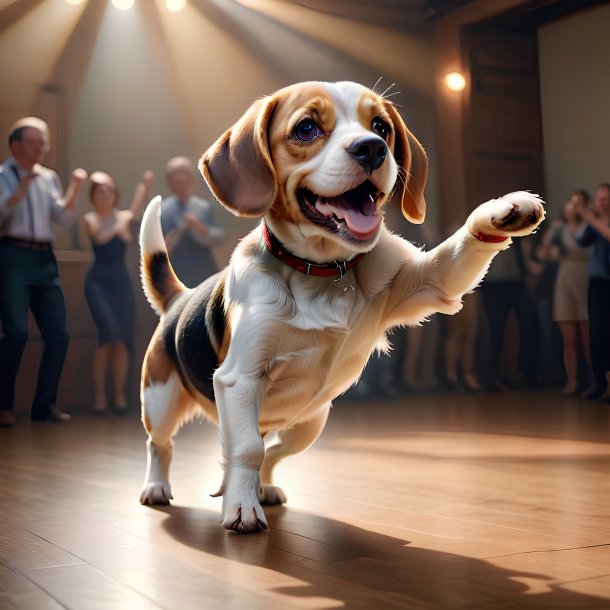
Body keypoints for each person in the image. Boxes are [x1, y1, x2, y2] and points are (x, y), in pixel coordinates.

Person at [0, 117, 87, 427]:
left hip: (45, 259)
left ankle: (44, 405)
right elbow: (2, 215)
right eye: (34, 142)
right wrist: (20, 189)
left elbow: (62, 218)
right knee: (16, 333)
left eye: (44, 142)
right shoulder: (4, 175)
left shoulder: (48, 177)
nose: (41, 148)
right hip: (12, 255)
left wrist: (75, 187)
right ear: (16, 145)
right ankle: (4, 405)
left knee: (59, 335)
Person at [81, 170, 154, 414]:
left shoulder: (123, 217)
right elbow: (101, 238)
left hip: (120, 282)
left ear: (115, 194)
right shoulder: (90, 218)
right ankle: (100, 397)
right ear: (92, 196)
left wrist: (143, 186)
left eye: (109, 189)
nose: (104, 192)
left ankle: (120, 396)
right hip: (97, 282)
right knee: (107, 337)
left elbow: (136, 205)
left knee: (121, 342)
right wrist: (123, 223)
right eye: (99, 189)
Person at [539, 191, 592, 394]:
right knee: (569, 336)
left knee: (588, 334)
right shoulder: (558, 229)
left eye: (579, 203)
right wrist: (550, 252)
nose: (574, 207)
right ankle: (572, 380)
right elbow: (543, 253)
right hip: (565, 278)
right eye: (571, 202)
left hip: (585, 277)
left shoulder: (590, 226)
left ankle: (595, 381)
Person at [160, 156, 225, 288]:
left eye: (184, 179)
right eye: (176, 180)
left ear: (191, 179)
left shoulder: (203, 207)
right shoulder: (163, 211)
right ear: (169, 182)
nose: (180, 183)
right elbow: (159, 249)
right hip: (179, 276)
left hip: (206, 271)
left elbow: (220, 236)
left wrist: (202, 229)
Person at [573, 183, 610, 401]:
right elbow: (579, 240)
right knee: (597, 334)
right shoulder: (593, 223)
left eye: (605, 199)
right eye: (599, 199)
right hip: (597, 284)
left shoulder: (597, 222)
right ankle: (599, 383)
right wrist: (584, 217)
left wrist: (590, 218)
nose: (602, 203)